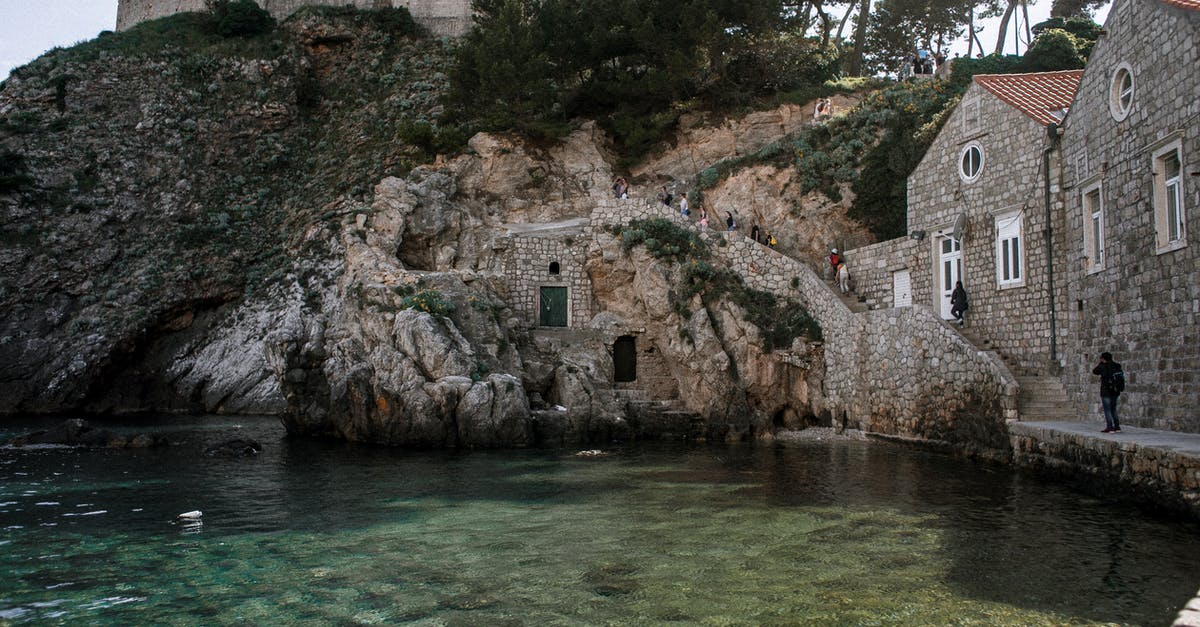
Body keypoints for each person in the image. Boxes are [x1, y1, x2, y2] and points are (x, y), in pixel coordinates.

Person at [1092, 352, 1125, 433]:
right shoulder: (1117, 365)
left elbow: (1095, 371)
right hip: (1115, 390)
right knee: (1113, 408)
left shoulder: (1103, 366)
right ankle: (1117, 427)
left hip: (1106, 391)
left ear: (1103, 358)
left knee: (1107, 409)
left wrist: (1100, 363)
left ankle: (1109, 427)